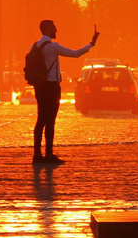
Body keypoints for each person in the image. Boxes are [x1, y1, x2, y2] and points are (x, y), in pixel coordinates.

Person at [27, 19, 98, 165]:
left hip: (39, 86)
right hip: (51, 87)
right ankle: (49, 154)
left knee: (41, 119)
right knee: (50, 121)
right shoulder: (53, 47)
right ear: (47, 29)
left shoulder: (34, 46)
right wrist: (91, 44)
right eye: (54, 27)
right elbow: (75, 54)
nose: (56, 30)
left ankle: (37, 155)